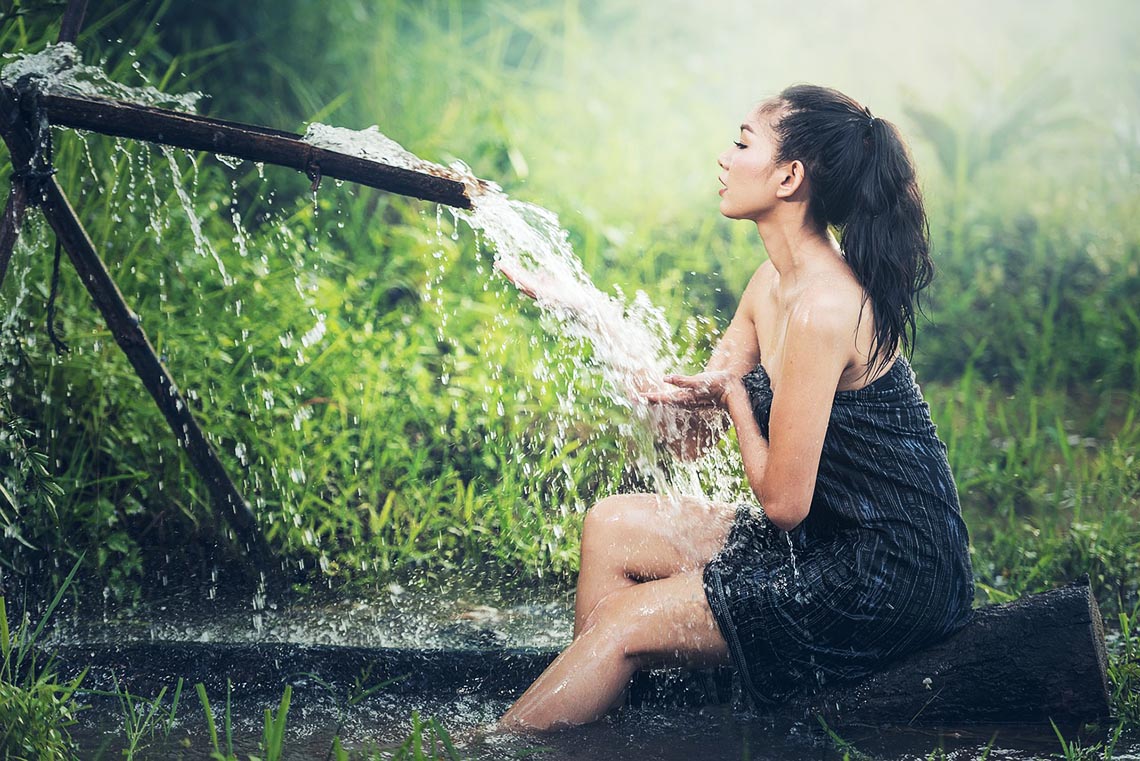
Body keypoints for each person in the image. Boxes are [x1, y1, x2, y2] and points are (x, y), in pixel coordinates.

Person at [495, 84, 975, 732]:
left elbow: (783, 501)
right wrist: (584, 312)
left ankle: (483, 747)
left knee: (626, 619)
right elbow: (687, 431)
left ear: (789, 176)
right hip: (825, 536)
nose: (724, 157)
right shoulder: (771, 284)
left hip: (892, 569)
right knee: (611, 524)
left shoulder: (823, 307)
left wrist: (736, 400)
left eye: (742, 142)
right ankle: (611, 721)